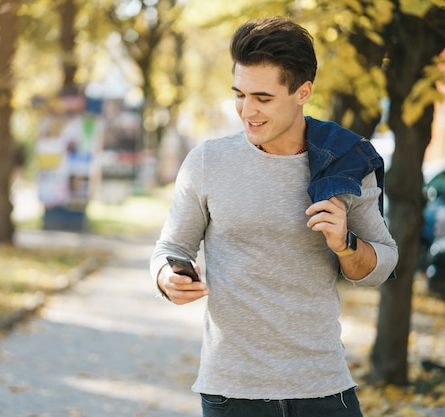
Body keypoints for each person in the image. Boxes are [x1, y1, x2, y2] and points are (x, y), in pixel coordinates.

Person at [150, 16, 398, 417]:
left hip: (323, 388)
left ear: (303, 92)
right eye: (239, 95)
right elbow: (170, 247)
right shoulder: (207, 162)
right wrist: (166, 277)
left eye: (263, 98)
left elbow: (382, 266)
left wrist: (345, 245)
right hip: (231, 393)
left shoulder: (347, 163)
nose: (247, 111)